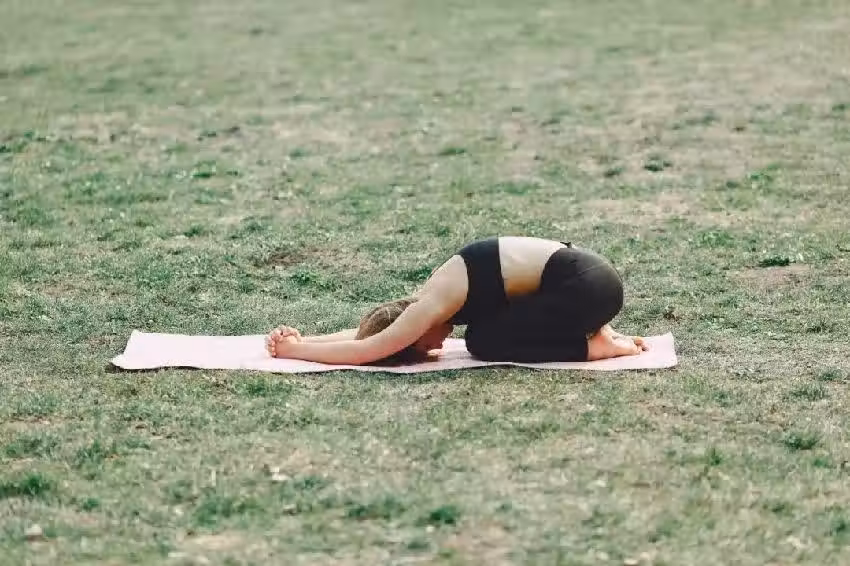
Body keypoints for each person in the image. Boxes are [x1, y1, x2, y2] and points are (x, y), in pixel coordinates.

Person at [265, 236, 647, 364]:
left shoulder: (429, 307)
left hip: (585, 288)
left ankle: (594, 347)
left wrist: (295, 352)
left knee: (483, 341)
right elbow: (371, 334)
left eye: (423, 346)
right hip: (590, 283)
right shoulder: (430, 298)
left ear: (413, 331)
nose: (437, 347)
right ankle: (598, 334)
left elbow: (369, 348)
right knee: (487, 329)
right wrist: (308, 338)